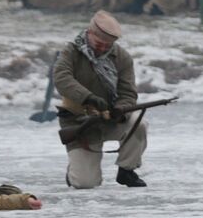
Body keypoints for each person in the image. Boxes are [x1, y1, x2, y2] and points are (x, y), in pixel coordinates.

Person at [52, 10, 149, 188]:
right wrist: (88, 98)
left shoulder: (122, 57)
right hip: (79, 122)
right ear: (89, 33)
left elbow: (128, 92)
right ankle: (75, 170)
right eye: (99, 43)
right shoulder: (71, 52)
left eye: (108, 45)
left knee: (138, 123)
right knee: (85, 183)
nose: (103, 48)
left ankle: (127, 170)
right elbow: (61, 79)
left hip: (111, 119)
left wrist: (121, 109)